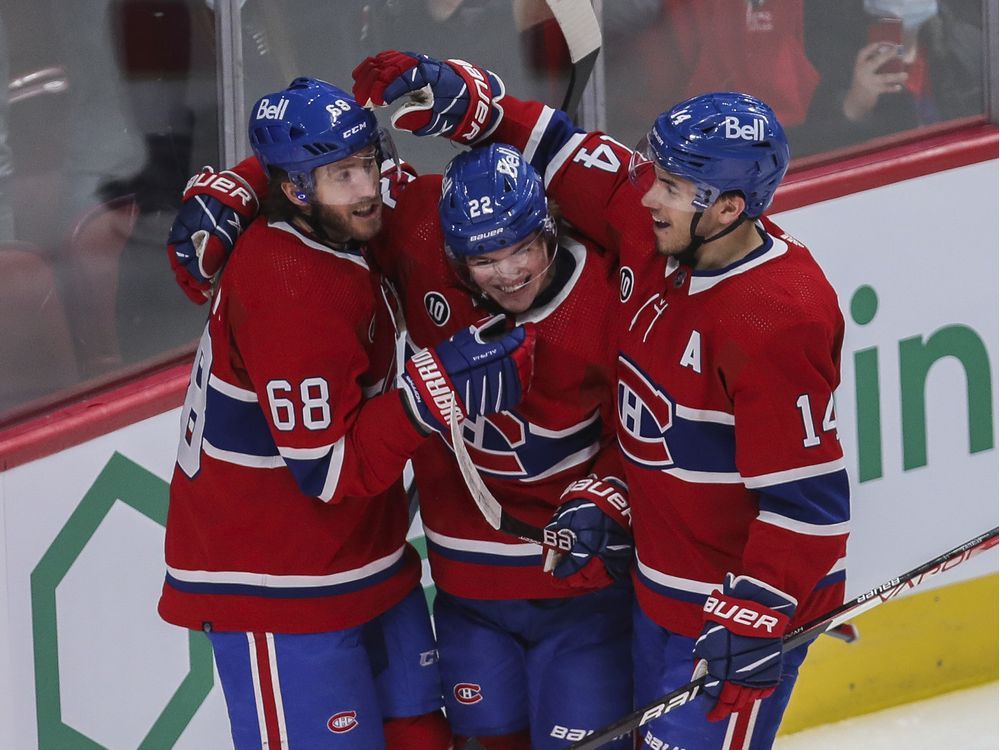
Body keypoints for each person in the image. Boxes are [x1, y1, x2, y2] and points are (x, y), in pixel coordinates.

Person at [354, 51, 851, 749]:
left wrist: (763, 607)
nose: (647, 195)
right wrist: (479, 109)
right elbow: (560, 149)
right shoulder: (654, 236)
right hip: (655, 593)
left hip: (728, 611)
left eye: (671, 186)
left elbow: (810, 504)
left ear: (729, 208)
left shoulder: (777, 317)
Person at [166, 127, 634, 748]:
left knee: (422, 734)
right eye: (483, 259)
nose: (508, 273)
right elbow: (330, 470)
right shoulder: (310, 271)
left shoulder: (606, 289)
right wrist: (244, 182)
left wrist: (614, 492)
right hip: (281, 582)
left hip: (379, 562)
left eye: (522, 248)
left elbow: (337, 140)